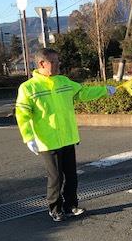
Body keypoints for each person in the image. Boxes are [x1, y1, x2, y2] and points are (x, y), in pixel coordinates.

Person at [15, 48, 116, 222]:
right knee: (55, 177)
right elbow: (22, 114)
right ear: (42, 64)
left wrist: (104, 90)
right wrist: (28, 137)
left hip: (68, 137)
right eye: (54, 61)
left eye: (58, 60)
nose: (58, 64)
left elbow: (82, 93)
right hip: (47, 141)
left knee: (71, 175)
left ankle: (71, 205)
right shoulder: (28, 88)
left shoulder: (63, 81)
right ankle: (55, 208)